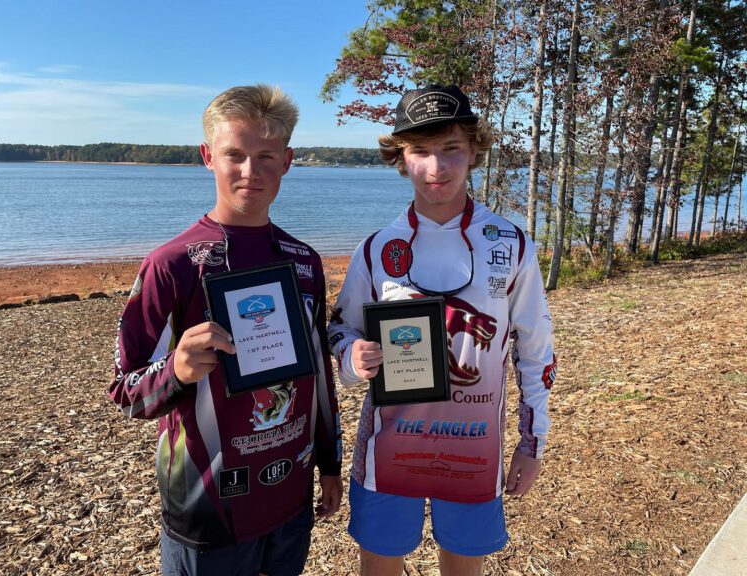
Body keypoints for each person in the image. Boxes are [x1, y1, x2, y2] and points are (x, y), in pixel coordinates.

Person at [110, 84, 342, 576]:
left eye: (265, 156)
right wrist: (176, 369)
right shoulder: (170, 266)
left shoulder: (303, 261)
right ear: (207, 156)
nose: (250, 171)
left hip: (289, 498)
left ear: (287, 160)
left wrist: (330, 462)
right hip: (208, 509)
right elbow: (125, 391)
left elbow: (318, 370)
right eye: (234, 154)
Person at [328, 84, 556, 576]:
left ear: (474, 150)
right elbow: (340, 330)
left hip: (473, 448)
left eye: (451, 148)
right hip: (389, 449)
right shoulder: (377, 248)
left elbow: (535, 351)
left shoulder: (511, 244)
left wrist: (532, 441)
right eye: (420, 152)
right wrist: (353, 359)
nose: (437, 167)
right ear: (401, 157)